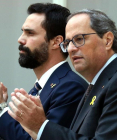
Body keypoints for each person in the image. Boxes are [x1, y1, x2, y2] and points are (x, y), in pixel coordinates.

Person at [0, 3, 88, 140]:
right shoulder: (41, 87)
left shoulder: (70, 87)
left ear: (56, 42)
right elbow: (17, 135)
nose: (20, 39)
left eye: (30, 33)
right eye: (22, 31)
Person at [8, 9, 117, 140]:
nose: (71, 48)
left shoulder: (113, 83)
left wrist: (41, 126)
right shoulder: (97, 85)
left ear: (107, 40)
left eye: (79, 39)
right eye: (67, 43)